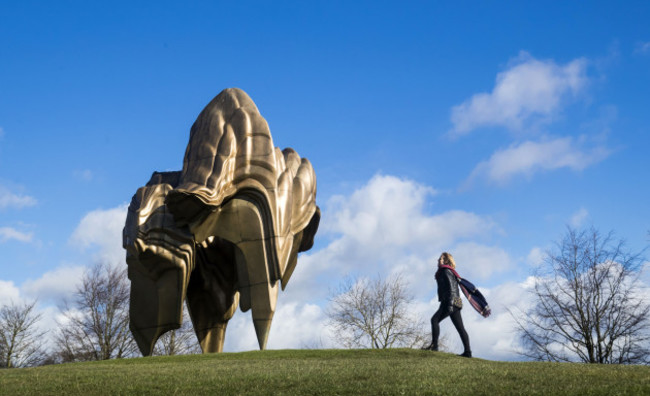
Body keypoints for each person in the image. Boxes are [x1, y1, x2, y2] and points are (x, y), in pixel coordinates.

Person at [427, 252, 472, 357]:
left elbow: (451, 288)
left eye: (440, 259)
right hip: (456, 302)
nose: (438, 261)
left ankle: (434, 346)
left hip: (450, 301)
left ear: (445, 261)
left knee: (434, 320)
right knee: (460, 328)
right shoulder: (449, 271)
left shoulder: (445, 271)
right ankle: (468, 352)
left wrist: (449, 305)